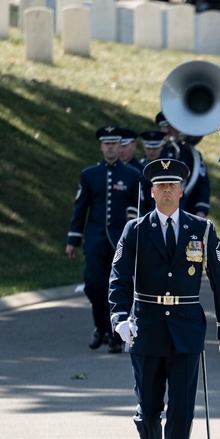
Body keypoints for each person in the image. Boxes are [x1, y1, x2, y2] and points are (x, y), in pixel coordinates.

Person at [108, 158, 220, 439]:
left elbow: (219, 280)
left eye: (172, 185)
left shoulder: (202, 229)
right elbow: (118, 279)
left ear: (182, 191)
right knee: (148, 414)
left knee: (180, 414)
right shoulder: (135, 230)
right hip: (145, 330)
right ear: (151, 192)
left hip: (185, 331)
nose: (166, 191)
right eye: (159, 186)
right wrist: (119, 318)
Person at [66, 126, 142, 353]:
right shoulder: (89, 175)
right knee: (93, 284)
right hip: (95, 240)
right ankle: (100, 326)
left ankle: (116, 334)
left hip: (122, 241)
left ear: (120, 146)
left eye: (114, 143)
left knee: (121, 288)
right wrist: (73, 239)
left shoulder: (132, 175)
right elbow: (81, 208)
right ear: (101, 146)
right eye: (106, 143)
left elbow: (138, 210)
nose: (110, 147)